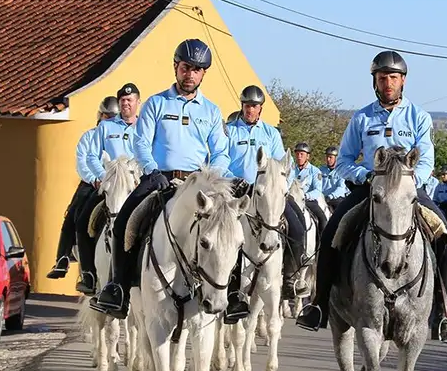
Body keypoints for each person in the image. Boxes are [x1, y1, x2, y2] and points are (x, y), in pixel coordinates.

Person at [294, 50, 447, 343]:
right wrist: (365, 177)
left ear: (403, 81)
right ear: (374, 81)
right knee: (331, 233)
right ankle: (319, 304)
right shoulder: (361, 118)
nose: (388, 83)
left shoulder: (419, 117)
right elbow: (345, 159)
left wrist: (409, 184)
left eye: (393, 78)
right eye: (382, 78)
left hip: (409, 192)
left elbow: (426, 160)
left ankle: (443, 315)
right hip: (369, 190)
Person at [90, 39, 245, 322]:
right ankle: (118, 289)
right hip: (160, 178)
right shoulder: (156, 103)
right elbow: (141, 143)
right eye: (186, 67)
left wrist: (212, 177)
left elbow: (221, 151)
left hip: (199, 184)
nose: (191, 74)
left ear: (203, 74)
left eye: (197, 70)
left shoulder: (210, 110)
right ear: (176, 67)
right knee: (125, 219)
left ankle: (232, 295)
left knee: (230, 230)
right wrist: (153, 170)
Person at [47, 90, 138, 293]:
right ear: (101, 116)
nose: (110, 120)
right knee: (76, 217)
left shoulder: (132, 132)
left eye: (113, 117)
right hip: (95, 182)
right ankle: (70, 262)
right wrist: (96, 179)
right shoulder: (91, 135)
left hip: (124, 184)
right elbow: (84, 160)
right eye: (107, 116)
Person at [226, 84, 311, 298]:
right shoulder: (229, 130)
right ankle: (230, 284)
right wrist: (233, 179)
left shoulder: (271, 133)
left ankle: (290, 279)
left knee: (299, 226)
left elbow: (283, 166)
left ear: (260, 109)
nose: (249, 110)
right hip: (238, 191)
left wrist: (280, 188)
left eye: (254, 106)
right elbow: (220, 160)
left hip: (268, 194)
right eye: (246, 105)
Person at [289, 143, 327, 235]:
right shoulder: (290, 169)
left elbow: (318, 190)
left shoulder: (315, 171)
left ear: (307, 156)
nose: (299, 156)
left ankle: (321, 245)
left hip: (308, 201)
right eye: (297, 154)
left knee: (323, 220)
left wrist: (305, 196)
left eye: (302, 154)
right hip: (291, 201)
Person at [319, 145, 349, 210]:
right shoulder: (321, 170)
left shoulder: (342, 171)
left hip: (336, 199)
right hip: (322, 198)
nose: (328, 159)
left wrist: (330, 196)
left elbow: (341, 188)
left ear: (337, 158)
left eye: (330, 157)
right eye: (327, 157)